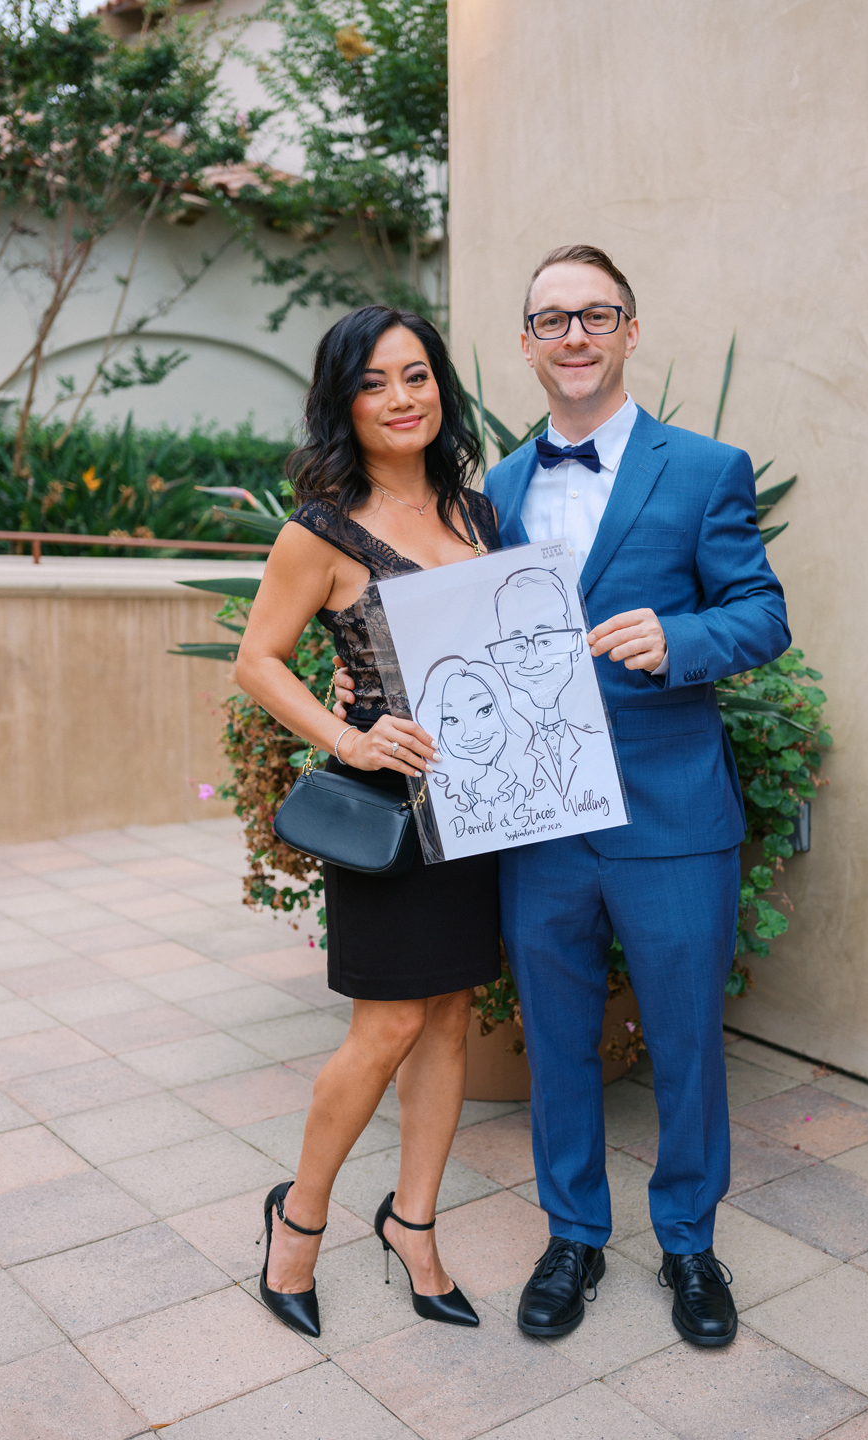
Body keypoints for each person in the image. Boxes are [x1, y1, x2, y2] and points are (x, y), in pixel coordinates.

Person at [487, 245, 790, 1347]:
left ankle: (689, 1247)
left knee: (682, 1041)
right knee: (556, 1040)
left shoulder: (706, 468)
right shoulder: (497, 489)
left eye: (595, 314)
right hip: (541, 821)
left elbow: (763, 612)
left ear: (629, 330)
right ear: (526, 341)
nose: (574, 334)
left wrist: (682, 636)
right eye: (551, 318)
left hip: (668, 811)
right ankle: (573, 1236)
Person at [235, 304, 502, 1338]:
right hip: (389, 815)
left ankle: (414, 1224)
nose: (402, 399)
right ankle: (297, 1223)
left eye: (418, 376)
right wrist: (345, 739)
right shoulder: (321, 530)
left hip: (475, 806)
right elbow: (258, 660)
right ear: (345, 400)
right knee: (387, 1022)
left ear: (442, 387)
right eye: (377, 382)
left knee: (448, 1019)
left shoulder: (480, 517)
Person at [487, 567, 601, 801]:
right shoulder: (490, 761)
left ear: (576, 639)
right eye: (517, 644)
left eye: (546, 641)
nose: (532, 661)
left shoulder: (597, 740)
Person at [415, 656, 541, 819]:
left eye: (485, 710)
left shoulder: (542, 765)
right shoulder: (437, 790)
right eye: (452, 720)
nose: (470, 735)